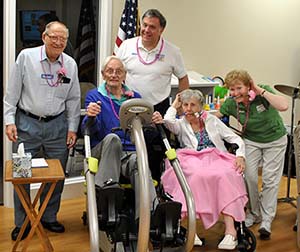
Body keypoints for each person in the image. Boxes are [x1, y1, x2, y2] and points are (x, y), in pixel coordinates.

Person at [4, 21, 81, 240]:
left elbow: (74, 99)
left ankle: (48, 217)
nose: (58, 42)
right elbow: (11, 93)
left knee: (56, 176)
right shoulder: (26, 58)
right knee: (22, 175)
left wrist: (72, 128)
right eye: (53, 37)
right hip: (26, 125)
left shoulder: (71, 65)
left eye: (63, 39)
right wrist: (9, 121)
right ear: (44, 37)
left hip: (58, 126)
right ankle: (23, 221)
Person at [159, 89, 248, 250]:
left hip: (216, 156)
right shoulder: (180, 124)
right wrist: (175, 104)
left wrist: (240, 156)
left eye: (193, 105)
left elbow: (235, 138)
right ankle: (192, 229)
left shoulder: (212, 120)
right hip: (191, 157)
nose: (188, 108)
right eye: (185, 105)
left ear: (201, 106)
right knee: (194, 176)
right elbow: (167, 120)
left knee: (228, 174)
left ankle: (230, 230)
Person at [82, 55, 161, 221]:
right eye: (110, 71)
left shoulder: (135, 97)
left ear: (124, 75)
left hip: (129, 153)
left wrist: (153, 121)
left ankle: (149, 216)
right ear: (103, 74)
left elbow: (143, 129)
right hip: (104, 150)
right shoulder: (94, 96)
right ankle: (107, 198)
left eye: (118, 71)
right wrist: (90, 117)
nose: (114, 75)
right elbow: (89, 129)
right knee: (113, 138)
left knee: (140, 162)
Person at [117, 9, 189, 181]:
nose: (147, 30)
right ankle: (128, 191)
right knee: (128, 148)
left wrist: (179, 106)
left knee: (155, 151)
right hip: (129, 106)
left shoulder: (173, 51)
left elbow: (183, 79)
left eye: (152, 27)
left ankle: (154, 191)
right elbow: (116, 71)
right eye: (145, 25)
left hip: (158, 108)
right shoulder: (127, 46)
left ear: (161, 30)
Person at [215, 70, 288, 240]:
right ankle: (254, 213)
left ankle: (267, 219)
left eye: (239, 88)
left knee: (270, 179)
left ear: (249, 86)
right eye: (231, 89)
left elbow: (283, 106)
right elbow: (213, 118)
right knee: (250, 177)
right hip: (251, 141)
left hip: (275, 140)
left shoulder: (262, 91)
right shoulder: (231, 104)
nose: (234, 93)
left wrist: (258, 89)